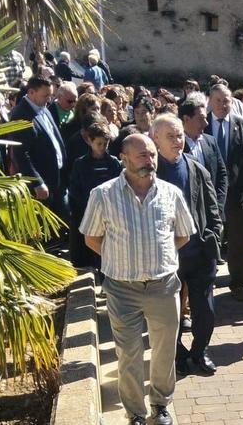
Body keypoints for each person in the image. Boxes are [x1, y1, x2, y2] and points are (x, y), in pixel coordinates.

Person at [80, 133, 195, 425]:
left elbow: (183, 234)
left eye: (153, 154)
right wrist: (120, 258)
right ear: (124, 158)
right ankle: (135, 413)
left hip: (163, 286)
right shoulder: (103, 195)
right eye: (143, 155)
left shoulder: (170, 193)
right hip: (122, 289)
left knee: (164, 351)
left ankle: (160, 405)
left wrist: (158, 256)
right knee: (129, 353)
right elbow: (91, 238)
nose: (150, 160)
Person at [150, 115, 222, 376]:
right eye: (170, 136)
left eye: (179, 135)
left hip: (199, 252)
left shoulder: (196, 168)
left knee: (206, 310)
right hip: (167, 258)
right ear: (155, 138)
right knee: (171, 312)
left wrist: (214, 235)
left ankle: (200, 351)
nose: (177, 141)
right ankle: (178, 354)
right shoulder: (148, 173)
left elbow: (212, 208)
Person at [205, 84, 243, 301]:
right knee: (208, 239)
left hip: (236, 194)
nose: (222, 105)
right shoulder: (202, 124)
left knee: (237, 242)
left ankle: (238, 283)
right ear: (210, 101)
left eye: (226, 100)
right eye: (218, 100)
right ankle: (206, 282)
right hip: (207, 194)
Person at [10, 76, 67, 217]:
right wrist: (37, 182)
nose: (49, 99)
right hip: (42, 184)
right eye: (45, 95)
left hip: (57, 178)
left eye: (50, 95)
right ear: (31, 92)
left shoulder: (43, 107)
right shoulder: (21, 115)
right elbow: (20, 153)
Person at [68, 121, 122, 270]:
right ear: (89, 141)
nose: (103, 147)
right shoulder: (80, 164)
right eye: (99, 144)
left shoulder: (114, 163)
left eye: (105, 144)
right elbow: (75, 190)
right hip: (87, 210)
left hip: (110, 213)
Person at [179, 96, 228, 219]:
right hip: (186, 215)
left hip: (212, 213)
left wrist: (218, 206)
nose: (206, 123)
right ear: (186, 119)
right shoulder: (176, 146)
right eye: (201, 119)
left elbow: (222, 175)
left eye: (206, 118)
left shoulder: (210, 142)